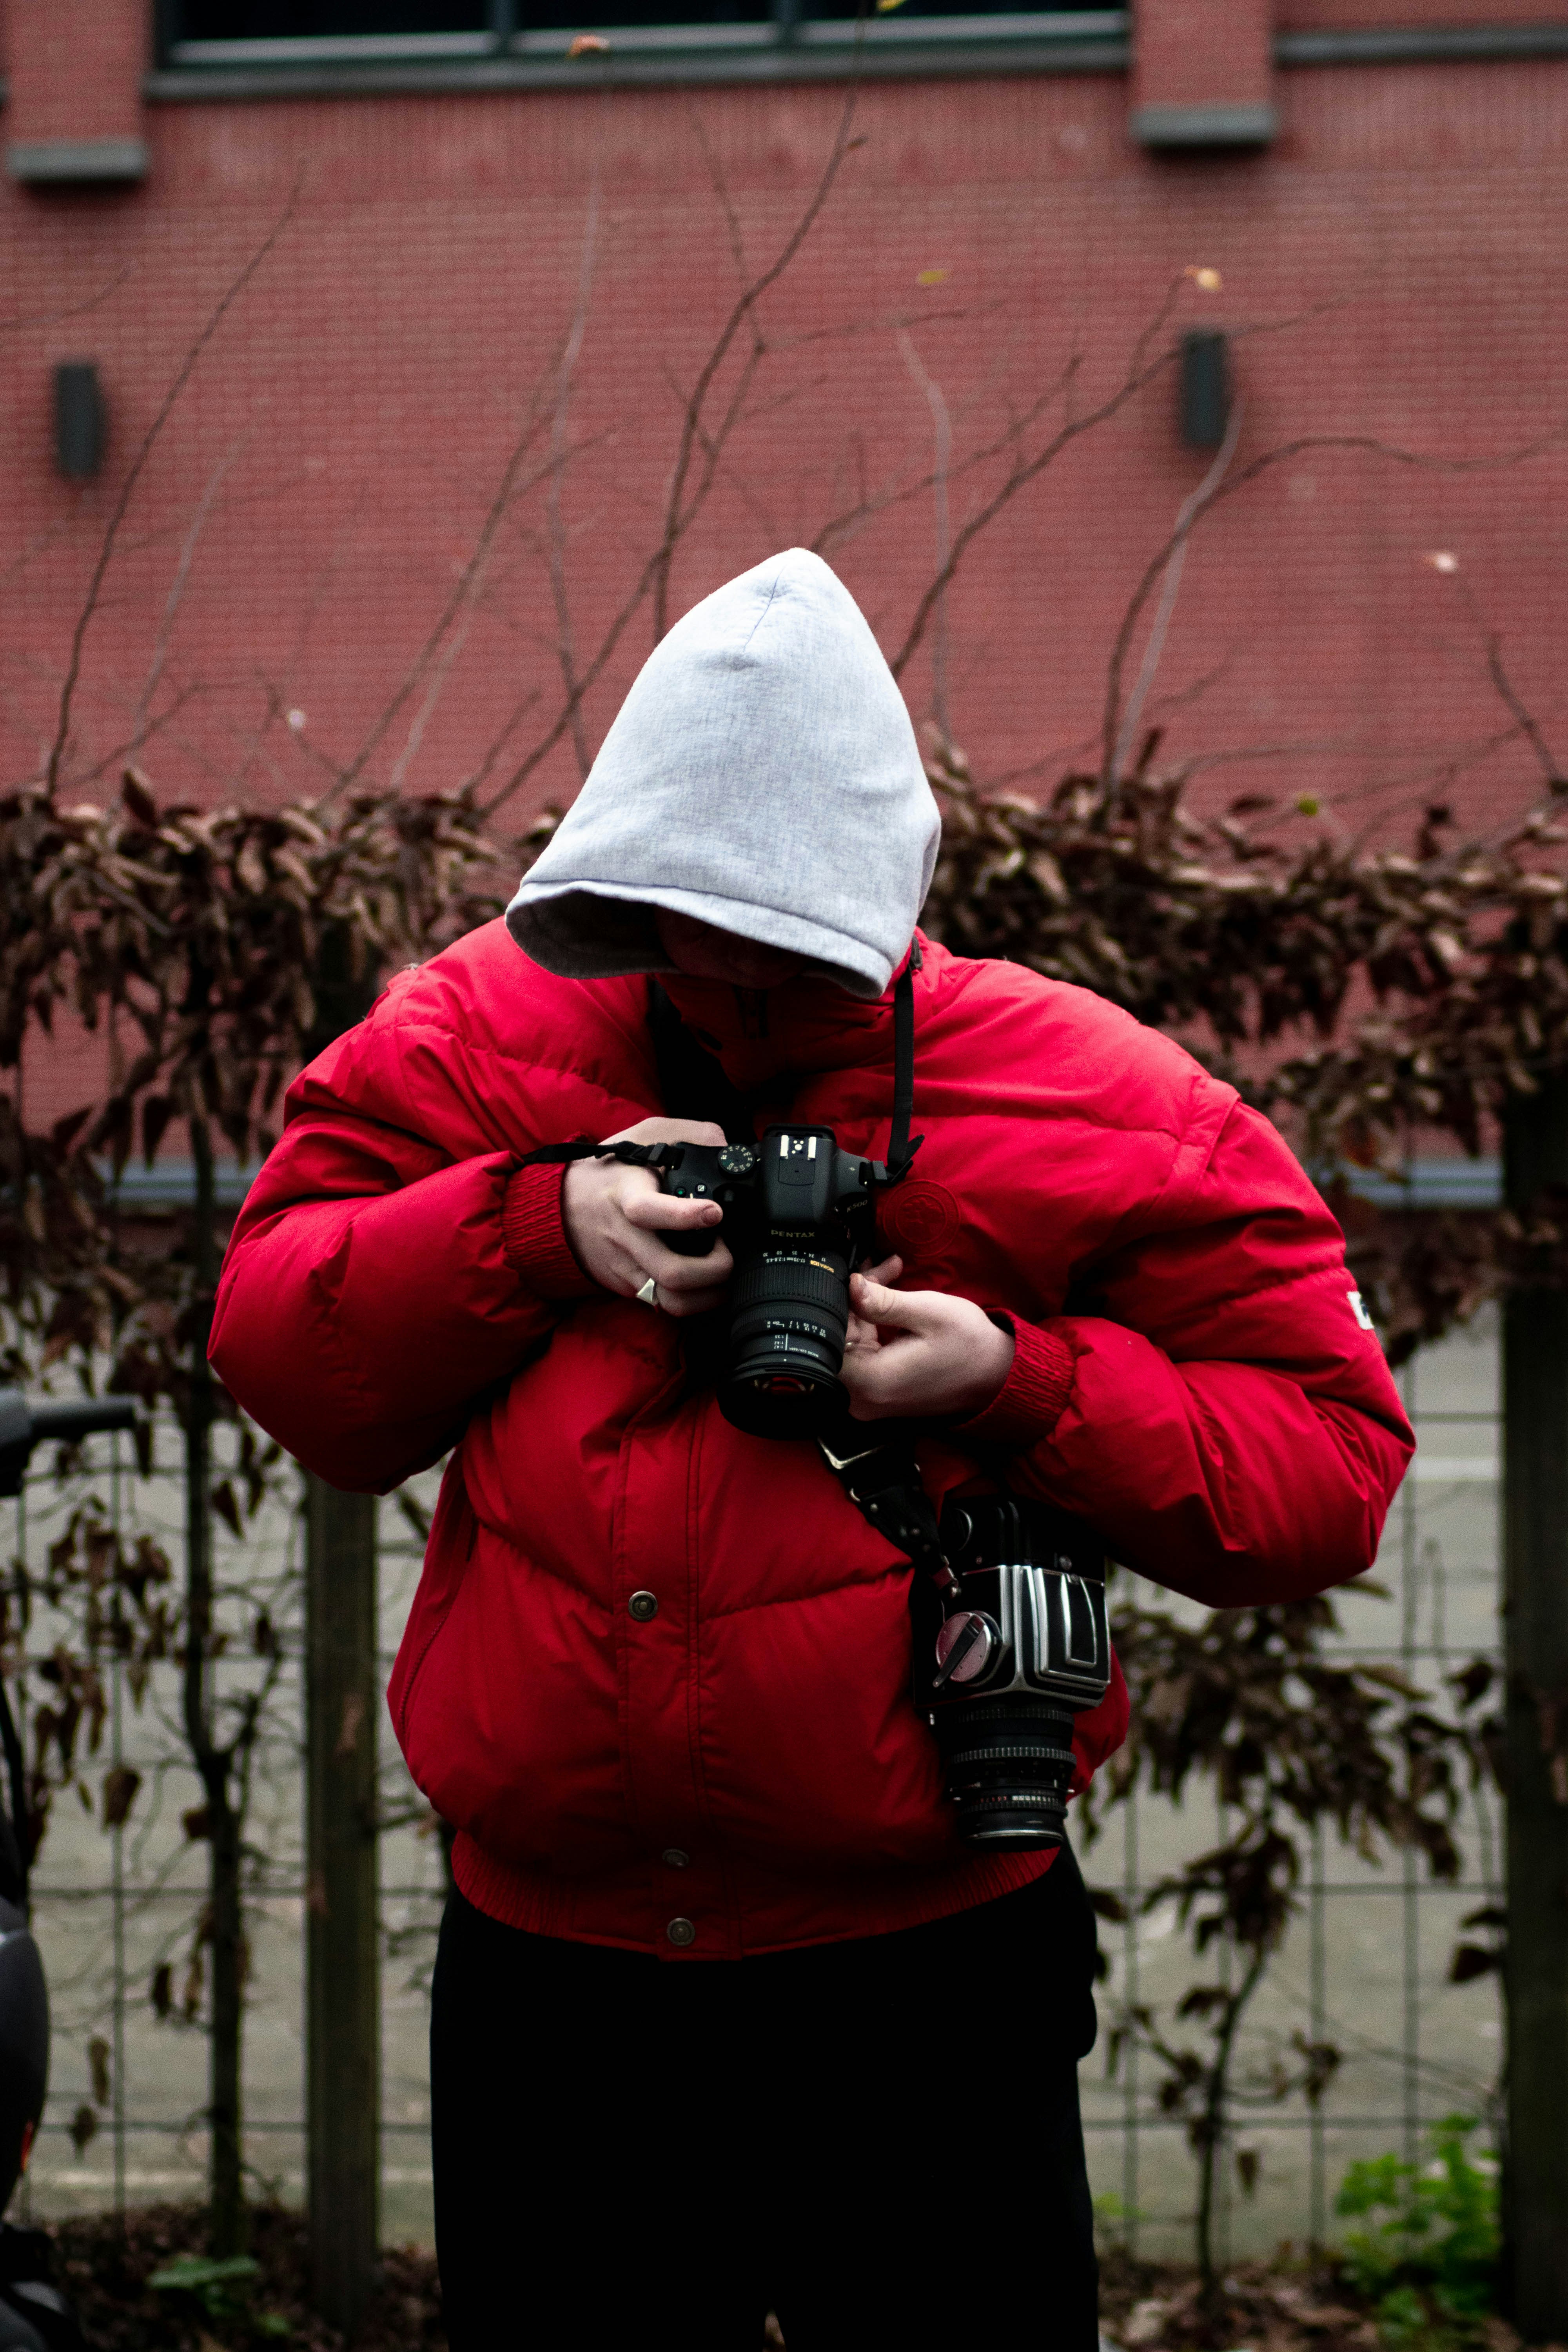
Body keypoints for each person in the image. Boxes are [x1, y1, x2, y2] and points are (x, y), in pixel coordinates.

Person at [211, 548, 1413, 2350]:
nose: (711, 969)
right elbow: (280, 1345)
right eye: (665, 921)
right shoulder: (476, 1034)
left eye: (769, 937)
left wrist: (1014, 1377)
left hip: (926, 1973)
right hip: (560, 1975)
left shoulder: (1086, 1094)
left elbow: (1329, 1472)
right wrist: (543, 1227)